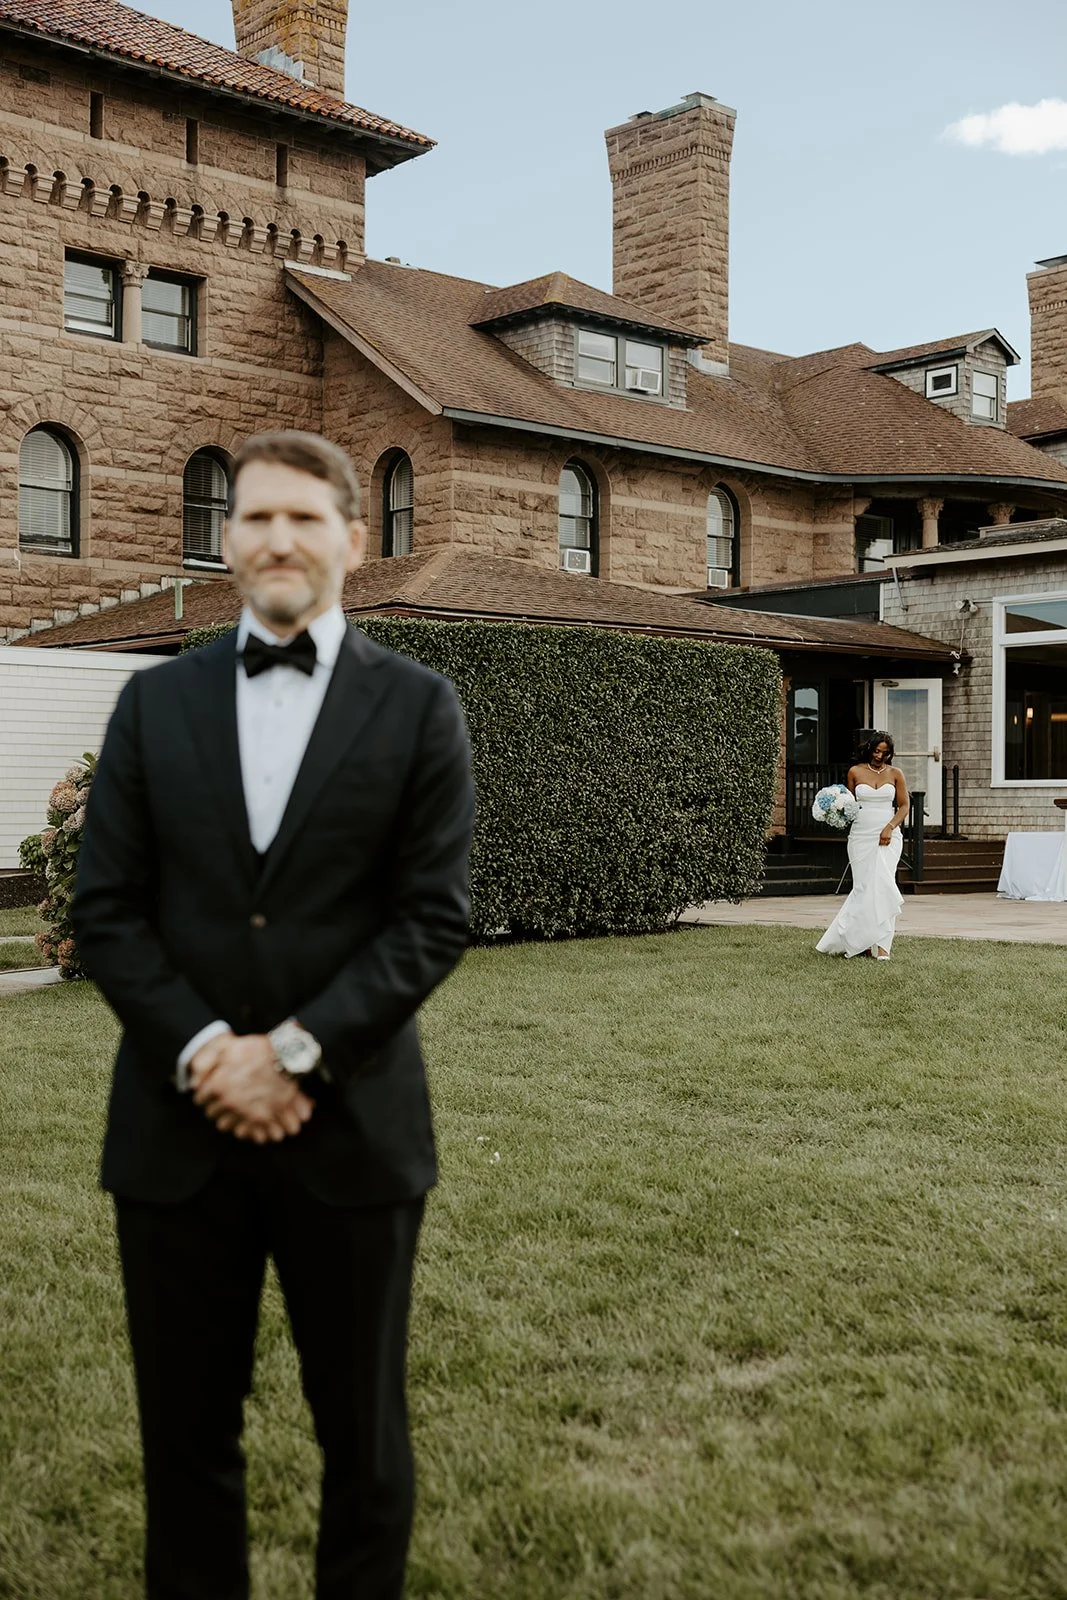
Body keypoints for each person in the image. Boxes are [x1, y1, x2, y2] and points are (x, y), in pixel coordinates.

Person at [71, 430, 476, 1600]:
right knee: (185, 1445)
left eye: (303, 517)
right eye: (254, 517)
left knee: (363, 1441)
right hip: (170, 1137)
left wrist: (294, 1055)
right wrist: (208, 1052)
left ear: (353, 538)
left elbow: (427, 918)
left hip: (354, 1140)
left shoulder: (419, 709)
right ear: (227, 538)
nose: (278, 539)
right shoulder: (153, 704)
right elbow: (108, 912)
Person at [816, 731, 907, 961]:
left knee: (883, 886)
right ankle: (862, 944)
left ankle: (884, 947)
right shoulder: (855, 772)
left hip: (888, 836)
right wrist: (834, 810)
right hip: (860, 836)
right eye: (877, 751)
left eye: (885, 753)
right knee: (864, 888)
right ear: (870, 749)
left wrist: (889, 827)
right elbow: (849, 804)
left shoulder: (896, 774)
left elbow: (904, 806)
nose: (880, 756)